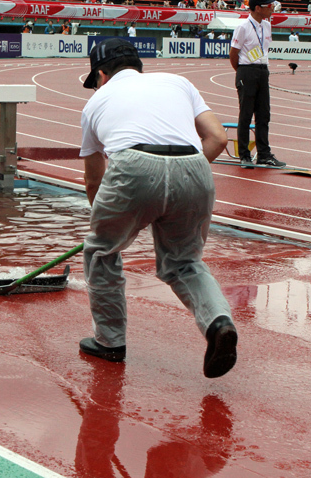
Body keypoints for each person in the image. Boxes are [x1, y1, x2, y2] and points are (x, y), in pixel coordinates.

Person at [78, 37, 237, 379]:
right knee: (184, 262)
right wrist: (177, 179)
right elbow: (220, 139)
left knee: (102, 253)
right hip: (194, 166)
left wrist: (114, 224)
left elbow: (94, 182)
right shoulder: (178, 83)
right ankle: (218, 323)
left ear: (101, 75)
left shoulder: (95, 103)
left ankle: (110, 342)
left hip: (133, 166)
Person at [229, 0, 285, 167]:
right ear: (258, 8)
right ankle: (244, 155)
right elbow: (233, 53)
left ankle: (264, 154)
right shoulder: (243, 27)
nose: (272, 8)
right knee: (245, 115)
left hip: (263, 71)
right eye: (269, 5)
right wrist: (243, 71)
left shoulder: (267, 26)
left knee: (263, 115)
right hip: (246, 71)